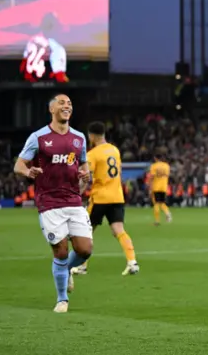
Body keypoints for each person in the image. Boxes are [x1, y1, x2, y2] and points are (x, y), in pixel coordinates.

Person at [13, 94, 92, 313]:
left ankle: (65, 271)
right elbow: (18, 165)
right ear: (52, 109)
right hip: (49, 202)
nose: (67, 106)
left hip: (74, 200)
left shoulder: (79, 138)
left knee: (85, 250)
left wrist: (85, 179)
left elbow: (84, 168)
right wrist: (29, 171)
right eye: (62, 103)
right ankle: (62, 299)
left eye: (69, 104)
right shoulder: (38, 137)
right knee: (61, 251)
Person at [72, 122, 139, 276]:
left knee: (86, 231)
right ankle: (132, 261)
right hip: (117, 196)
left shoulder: (93, 154)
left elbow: (85, 177)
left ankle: (82, 266)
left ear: (92, 136)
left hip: (100, 197)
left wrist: (77, 193)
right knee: (119, 230)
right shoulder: (114, 150)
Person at [148, 153, 172, 225]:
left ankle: (157, 221)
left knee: (156, 203)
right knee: (161, 202)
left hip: (156, 187)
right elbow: (167, 175)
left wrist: (150, 187)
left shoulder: (154, 166)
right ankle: (168, 213)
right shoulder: (166, 166)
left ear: (155, 158)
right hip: (164, 187)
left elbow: (151, 177)